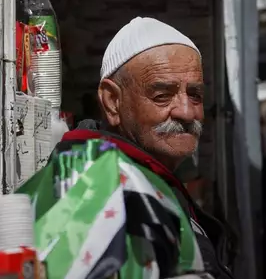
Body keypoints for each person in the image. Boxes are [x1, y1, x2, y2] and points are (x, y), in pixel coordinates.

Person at [56, 17, 235, 278]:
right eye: (162, 95)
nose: (186, 112)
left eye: (194, 94)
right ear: (113, 101)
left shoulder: (147, 182)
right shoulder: (96, 191)